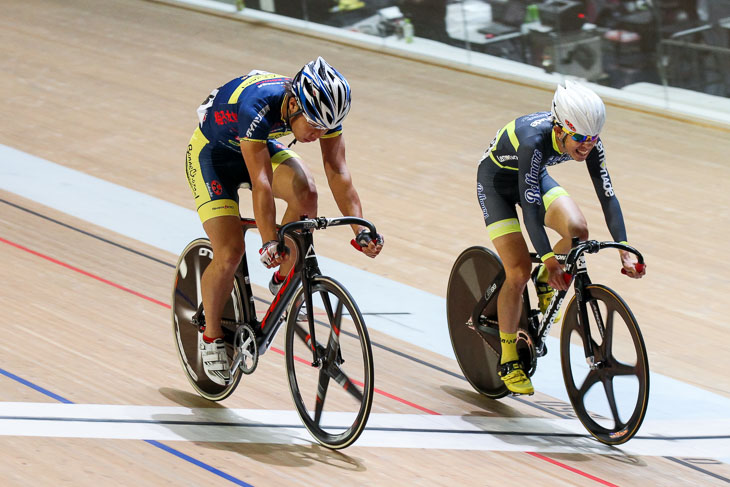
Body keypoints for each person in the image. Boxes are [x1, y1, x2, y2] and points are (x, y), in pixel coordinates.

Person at [185, 57, 384, 386]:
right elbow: (260, 183)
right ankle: (211, 336)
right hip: (213, 157)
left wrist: (360, 228)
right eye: (314, 125)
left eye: (326, 128)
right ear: (294, 104)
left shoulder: (320, 110)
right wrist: (268, 240)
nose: (319, 134)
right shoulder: (258, 106)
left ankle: (283, 277)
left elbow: (339, 172)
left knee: (306, 192)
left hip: (258, 147)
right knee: (230, 252)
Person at [475, 80, 646, 395]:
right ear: (559, 129)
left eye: (593, 140)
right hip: (496, 184)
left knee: (578, 231)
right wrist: (551, 260)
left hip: (533, 177)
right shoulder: (533, 141)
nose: (586, 147)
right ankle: (509, 358)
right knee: (517, 271)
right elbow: (530, 210)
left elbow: (608, 196)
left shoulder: (589, 141)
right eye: (579, 139)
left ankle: (542, 277)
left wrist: (624, 248)